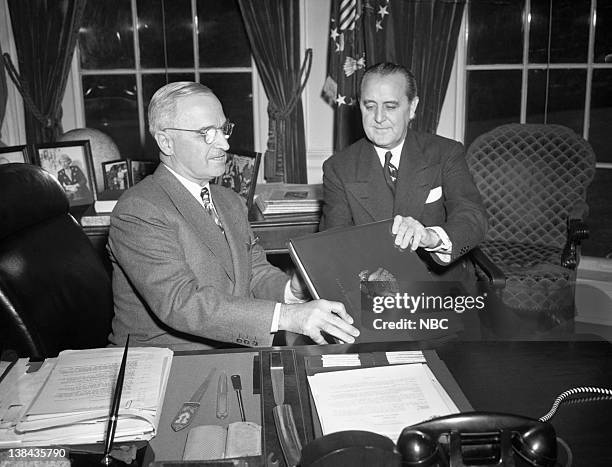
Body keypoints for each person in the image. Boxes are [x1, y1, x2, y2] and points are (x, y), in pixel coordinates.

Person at [108, 81, 359, 350]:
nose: (225, 144)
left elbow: (255, 274)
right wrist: (287, 316)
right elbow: (182, 304)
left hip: (231, 351)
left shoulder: (229, 201)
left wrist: (291, 291)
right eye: (206, 133)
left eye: (223, 129)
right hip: (166, 362)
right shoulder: (139, 210)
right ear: (166, 142)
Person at [320, 62, 487, 274]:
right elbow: (333, 243)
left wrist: (431, 237)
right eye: (369, 106)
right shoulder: (338, 168)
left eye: (390, 106)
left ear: (413, 107)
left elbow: (474, 220)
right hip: (372, 285)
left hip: (440, 286)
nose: (379, 118)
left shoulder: (446, 153)